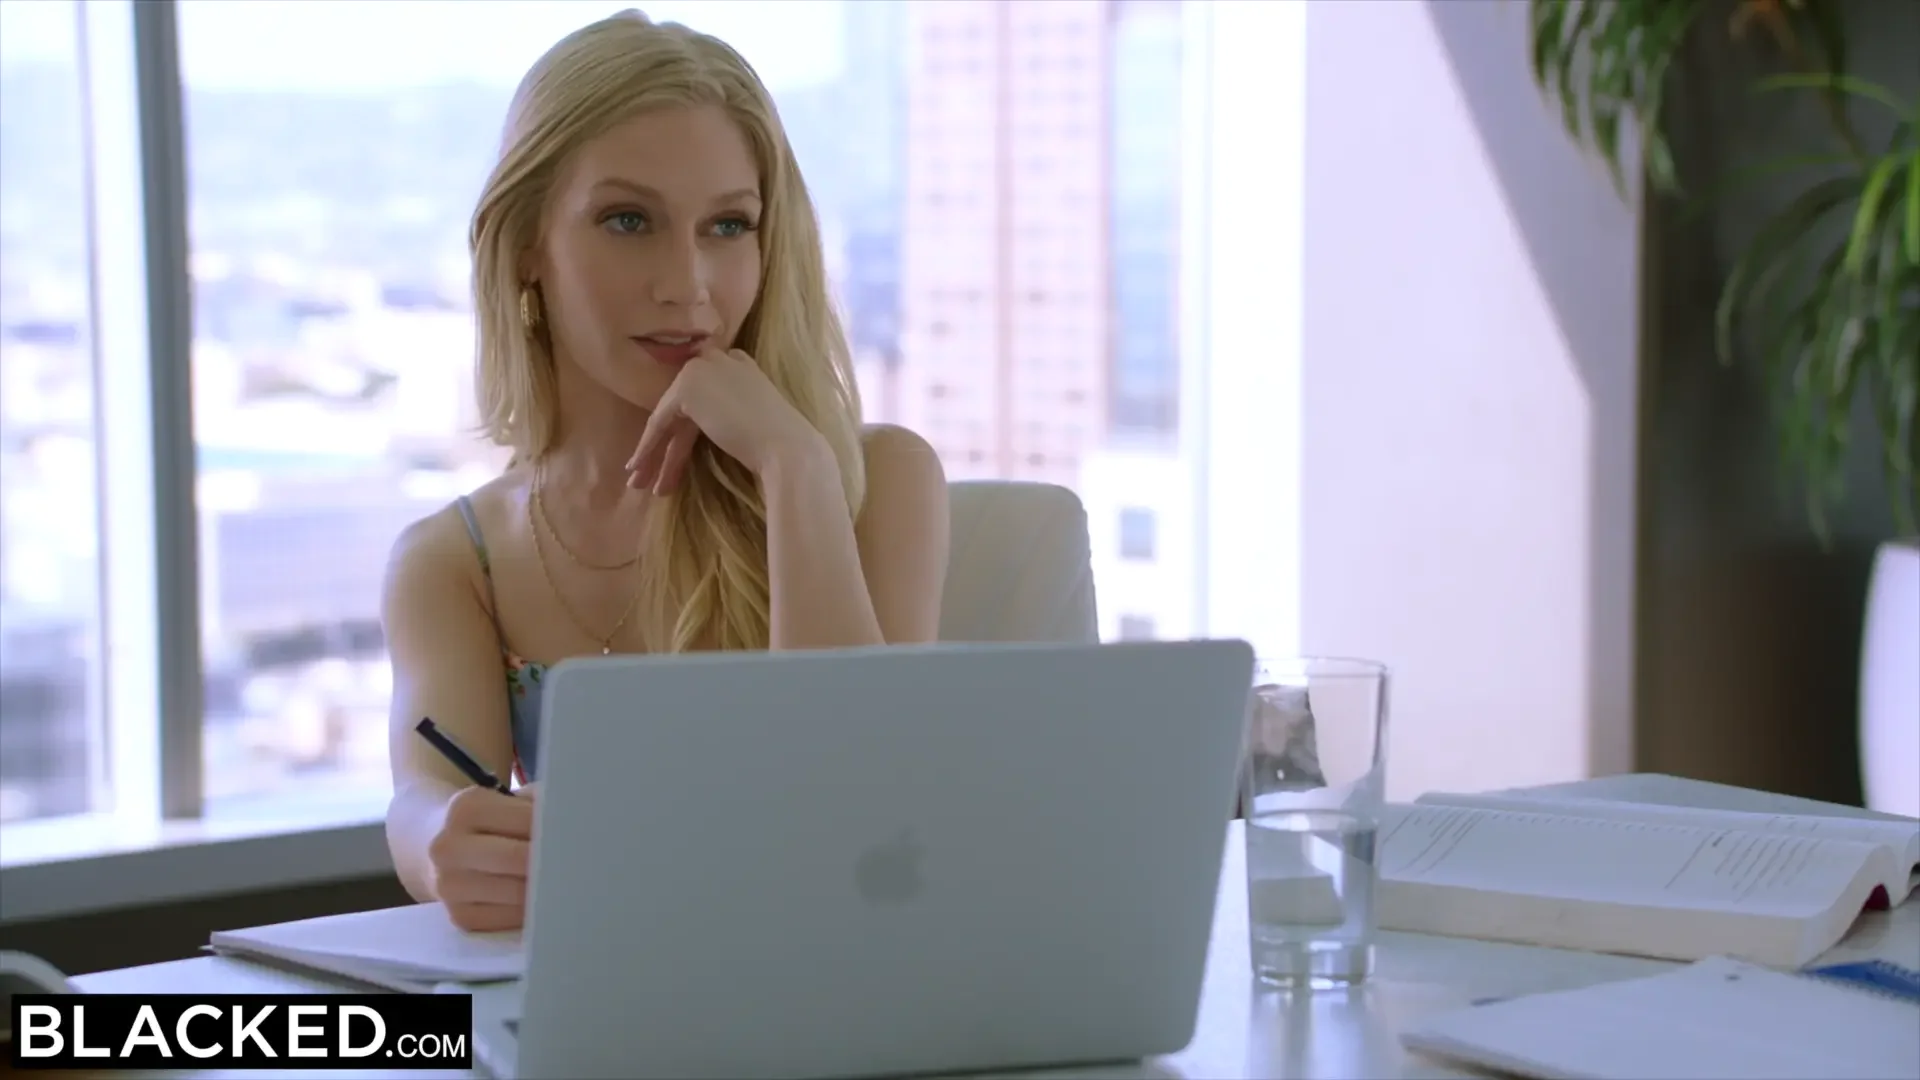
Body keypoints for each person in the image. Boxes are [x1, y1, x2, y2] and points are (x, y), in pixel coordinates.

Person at [380, 10, 951, 932]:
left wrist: (794, 470)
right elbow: (422, 799)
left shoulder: (877, 481)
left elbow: (861, 816)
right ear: (527, 245)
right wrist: (439, 838)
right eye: (628, 220)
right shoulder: (455, 561)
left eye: (728, 225)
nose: (687, 283)